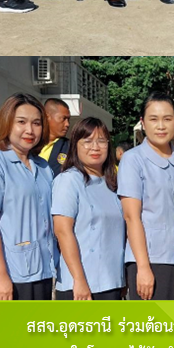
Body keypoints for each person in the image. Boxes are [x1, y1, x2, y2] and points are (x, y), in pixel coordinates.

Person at [0, 93, 57, 300]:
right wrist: (0, 276)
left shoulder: (43, 168)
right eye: (21, 122)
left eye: (36, 123)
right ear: (7, 123)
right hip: (8, 274)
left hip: (42, 270)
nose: (30, 130)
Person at [118, 93, 174, 300]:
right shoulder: (133, 160)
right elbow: (132, 217)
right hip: (149, 258)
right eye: (153, 119)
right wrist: (143, 267)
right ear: (142, 123)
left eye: (167, 119)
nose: (161, 126)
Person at [52, 116, 125, 300]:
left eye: (101, 141)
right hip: (81, 286)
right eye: (87, 141)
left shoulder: (113, 184)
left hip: (112, 283)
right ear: (75, 145)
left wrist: (122, 280)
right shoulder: (69, 180)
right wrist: (79, 279)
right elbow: (62, 231)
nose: (95, 147)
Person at [39, 97, 71, 176]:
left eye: (68, 119)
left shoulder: (71, 148)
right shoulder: (31, 144)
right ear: (47, 117)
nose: (67, 124)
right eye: (63, 118)